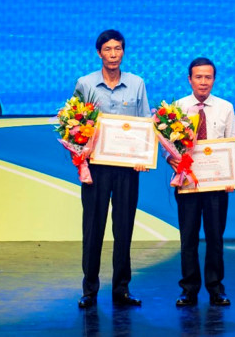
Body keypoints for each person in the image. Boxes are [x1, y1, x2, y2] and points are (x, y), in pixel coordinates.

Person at [74, 29, 150, 309]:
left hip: (127, 168)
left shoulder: (136, 83)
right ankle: (89, 290)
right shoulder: (86, 83)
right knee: (93, 228)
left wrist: (144, 156)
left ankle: (121, 289)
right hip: (96, 168)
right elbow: (75, 121)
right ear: (99, 53)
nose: (114, 54)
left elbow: (145, 123)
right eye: (108, 49)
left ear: (124, 51)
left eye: (118, 48)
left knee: (124, 228)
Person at [165, 57, 235, 307]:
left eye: (208, 77)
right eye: (198, 77)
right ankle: (189, 289)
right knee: (188, 237)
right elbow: (169, 145)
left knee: (216, 237)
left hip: (217, 185)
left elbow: (232, 144)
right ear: (190, 79)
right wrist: (170, 159)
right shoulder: (177, 108)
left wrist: (232, 176)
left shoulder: (226, 107)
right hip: (187, 183)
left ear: (214, 79)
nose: (203, 82)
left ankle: (216, 288)